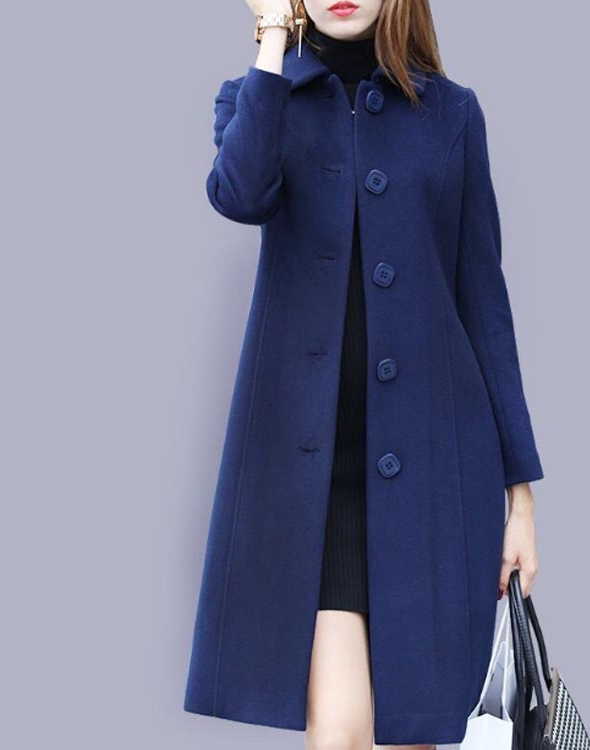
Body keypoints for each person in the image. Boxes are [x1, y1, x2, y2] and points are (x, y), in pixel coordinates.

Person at [184, 2, 545, 748]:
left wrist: (520, 497)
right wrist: (272, 35)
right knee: (339, 734)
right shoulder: (259, 97)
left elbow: (485, 308)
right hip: (311, 486)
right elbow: (239, 193)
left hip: (435, 477)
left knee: (410, 736)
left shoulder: (451, 116)